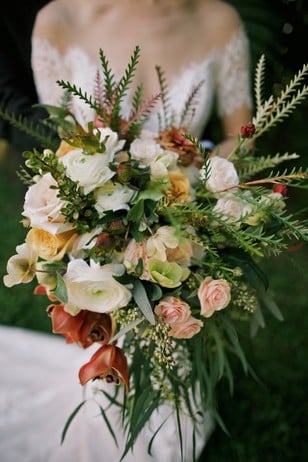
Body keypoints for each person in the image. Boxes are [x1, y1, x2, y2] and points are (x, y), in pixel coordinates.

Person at [0, 1, 253, 461]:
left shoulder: (219, 20)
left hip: (187, 225)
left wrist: (213, 190)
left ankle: (167, 393)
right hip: (99, 226)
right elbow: (66, 149)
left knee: (175, 327)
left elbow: (242, 132)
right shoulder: (59, 21)